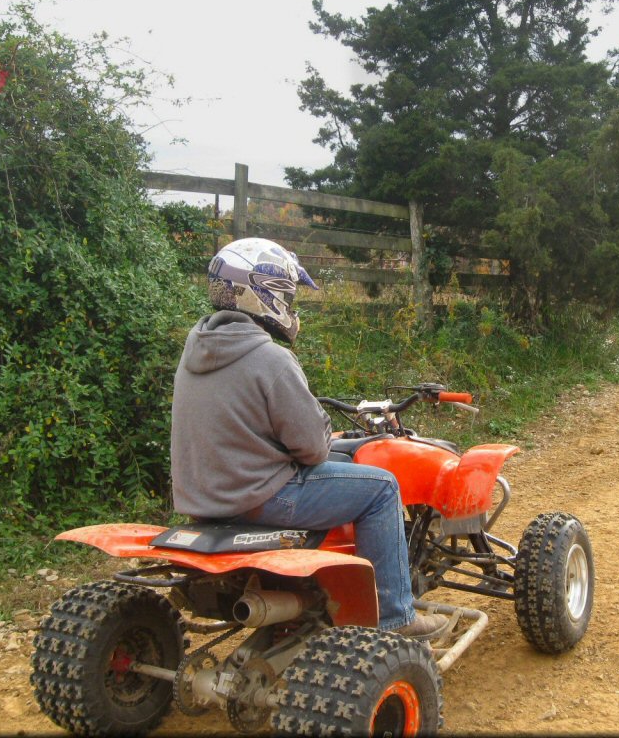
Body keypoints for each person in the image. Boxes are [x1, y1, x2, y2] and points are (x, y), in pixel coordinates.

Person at [170, 237, 446, 639]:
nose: (290, 304)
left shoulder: (196, 351)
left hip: (206, 498)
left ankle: (323, 583)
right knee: (382, 487)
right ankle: (395, 616)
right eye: (287, 293)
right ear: (263, 293)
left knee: (346, 466)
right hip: (258, 499)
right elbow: (313, 448)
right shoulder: (271, 358)